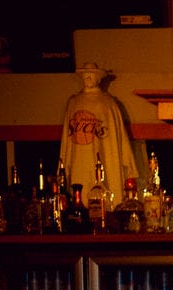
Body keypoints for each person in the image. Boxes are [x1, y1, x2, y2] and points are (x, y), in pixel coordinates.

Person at [59, 62, 138, 207]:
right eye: (85, 75)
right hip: (79, 162)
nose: (87, 77)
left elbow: (120, 139)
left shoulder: (108, 104)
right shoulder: (74, 103)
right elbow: (66, 142)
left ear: (98, 78)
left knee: (107, 196)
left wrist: (129, 168)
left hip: (105, 164)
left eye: (91, 75)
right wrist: (63, 167)